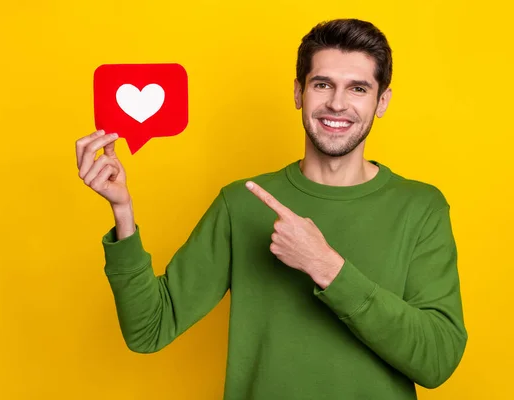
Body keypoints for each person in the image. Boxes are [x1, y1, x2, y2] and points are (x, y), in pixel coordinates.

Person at [75, 18, 467, 400]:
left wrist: (326, 266)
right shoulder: (242, 202)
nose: (337, 103)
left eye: (358, 89)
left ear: (382, 101)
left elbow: (437, 361)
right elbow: (150, 329)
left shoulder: (421, 208)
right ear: (299, 92)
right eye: (322, 84)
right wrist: (123, 212)